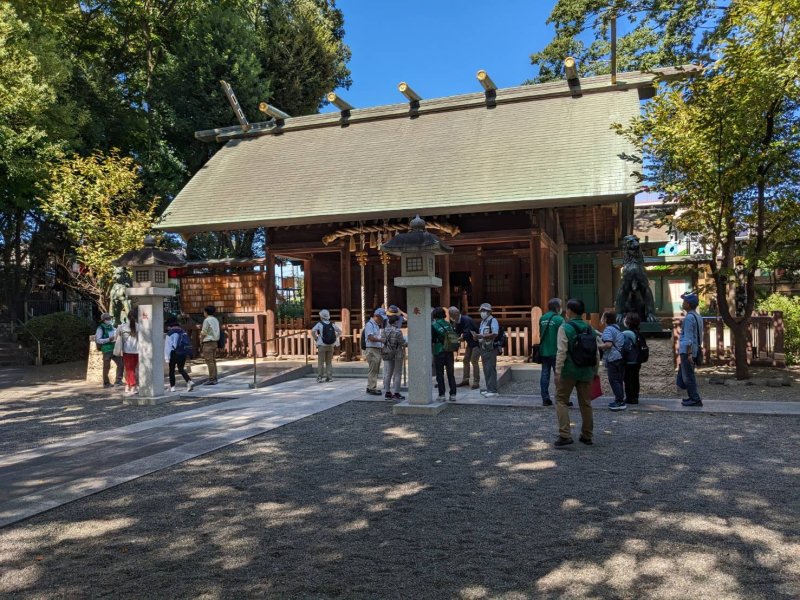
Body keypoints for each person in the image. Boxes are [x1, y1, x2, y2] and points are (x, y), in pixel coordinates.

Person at [554, 298, 598, 447]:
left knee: (561, 400)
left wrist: (558, 371)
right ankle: (587, 435)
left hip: (569, 370)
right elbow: (595, 352)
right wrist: (595, 370)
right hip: (586, 370)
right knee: (586, 403)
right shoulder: (589, 328)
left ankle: (565, 434)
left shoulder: (565, 328)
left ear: (570, 311)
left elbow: (561, 352)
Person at [677, 292, 703, 407]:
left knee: (688, 376)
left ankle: (695, 399)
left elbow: (688, 338)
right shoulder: (698, 317)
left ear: (688, 304)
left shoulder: (688, 318)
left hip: (688, 351)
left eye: (684, 301)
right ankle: (692, 397)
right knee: (688, 374)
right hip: (695, 349)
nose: (683, 303)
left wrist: (689, 353)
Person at [538, 298, 565, 406]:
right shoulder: (559, 319)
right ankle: (561, 398)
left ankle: (545, 398)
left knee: (545, 375)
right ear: (557, 307)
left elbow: (541, 334)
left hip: (544, 351)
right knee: (559, 375)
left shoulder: (542, 318)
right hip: (556, 351)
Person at [599, 310, 627, 411]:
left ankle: (619, 402)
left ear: (606, 318)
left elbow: (608, 344)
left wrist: (598, 346)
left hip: (613, 357)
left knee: (614, 380)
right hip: (620, 357)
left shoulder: (608, 329)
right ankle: (619, 399)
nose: (601, 319)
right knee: (619, 380)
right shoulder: (616, 327)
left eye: (603, 317)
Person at [449, 306, 480, 390]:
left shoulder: (466, 320)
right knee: (466, 360)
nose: (450, 317)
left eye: (451, 314)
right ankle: (465, 380)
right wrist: (452, 337)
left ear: (456, 314)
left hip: (477, 342)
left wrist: (456, 339)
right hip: (470, 343)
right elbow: (457, 333)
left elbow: (466, 334)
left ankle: (476, 382)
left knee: (474, 361)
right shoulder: (457, 321)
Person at [472, 302, 499, 398]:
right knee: (486, 368)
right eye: (481, 311)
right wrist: (477, 337)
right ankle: (488, 388)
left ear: (489, 312)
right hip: (483, 347)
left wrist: (482, 336)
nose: (482, 312)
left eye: (484, 311)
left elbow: (495, 334)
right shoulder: (483, 322)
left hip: (490, 347)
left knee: (491, 368)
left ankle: (493, 390)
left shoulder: (493, 320)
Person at [431, 307, 457, 402]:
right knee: (451, 374)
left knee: (439, 374)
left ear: (435, 316)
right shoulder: (449, 324)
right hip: (449, 351)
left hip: (439, 351)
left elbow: (433, 339)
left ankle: (442, 395)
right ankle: (453, 394)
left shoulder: (433, 325)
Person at [164, 317, 195, 392]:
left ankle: (173, 387)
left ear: (170, 326)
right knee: (181, 369)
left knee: (172, 370)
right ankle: (189, 381)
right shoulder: (183, 332)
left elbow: (168, 346)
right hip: (183, 353)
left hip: (174, 353)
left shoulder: (170, 333)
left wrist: (166, 357)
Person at [311, 309, 341, 383]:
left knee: (320, 362)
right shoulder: (332, 324)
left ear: (321, 316)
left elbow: (313, 331)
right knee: (329, 362)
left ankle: (320, 377)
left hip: (322, 344)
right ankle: (329, 377)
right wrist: (335, 337)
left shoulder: (319, 324)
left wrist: (316, 338)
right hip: (330, 345)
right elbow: (339, 331)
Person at [382, 314, 406, 400]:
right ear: (396, 322)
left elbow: (383, 341)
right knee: (397, 373)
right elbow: (403, 343)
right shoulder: (398, 331)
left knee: (388, 372)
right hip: (397, 353)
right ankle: (396, 393)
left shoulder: (383, 331)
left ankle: (387, 392)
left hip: (387, 352)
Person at [116, 307, 139, 395]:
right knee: (132, 369)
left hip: (126, 351)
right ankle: (129, 385)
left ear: (128, 317)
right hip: (137, 351)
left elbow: (116, 338)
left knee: (129, 369)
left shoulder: (122, 327)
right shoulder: (139, 327)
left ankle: (131, 386)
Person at [96, 312, 123, 388]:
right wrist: (108, 339)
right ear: (104, 320)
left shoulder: (112, 327)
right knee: (106, 366)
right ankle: (106, 382)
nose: (110, 319)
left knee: (121, 364)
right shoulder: (100, 328)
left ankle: (118, 381)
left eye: (110, 318)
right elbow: (98, 340)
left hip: (114, 348)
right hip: (106, 349)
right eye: (108, 318)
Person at [622, 312, 642, 404]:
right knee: (635, 378)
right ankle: (635, 396)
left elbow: (624, 347)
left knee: (628, 379)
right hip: (637, 360)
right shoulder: (638, 332)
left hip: (629, 360)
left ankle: (630, 397)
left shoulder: (626, 333)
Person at [364, 307, 384, 396]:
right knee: (373, 369)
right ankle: (372, 387)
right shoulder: (369, 325)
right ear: (376, 316)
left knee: (375, 369)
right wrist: (381, 340)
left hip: (376, 349)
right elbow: (370, 337)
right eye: (381, 317)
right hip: (372, 349)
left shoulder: (375, 324)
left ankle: (371, 386)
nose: (382, 319)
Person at [200, 305, 220, 385]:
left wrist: (201, 340)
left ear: (206, 312)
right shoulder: (215, 319)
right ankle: (214, 377)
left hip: (208, 342)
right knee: (213, 361)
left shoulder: (207, 320)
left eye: (204, 311)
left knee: (209, 361)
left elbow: (204, 332)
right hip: (215, 342)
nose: (203, 313)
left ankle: (211, 379)